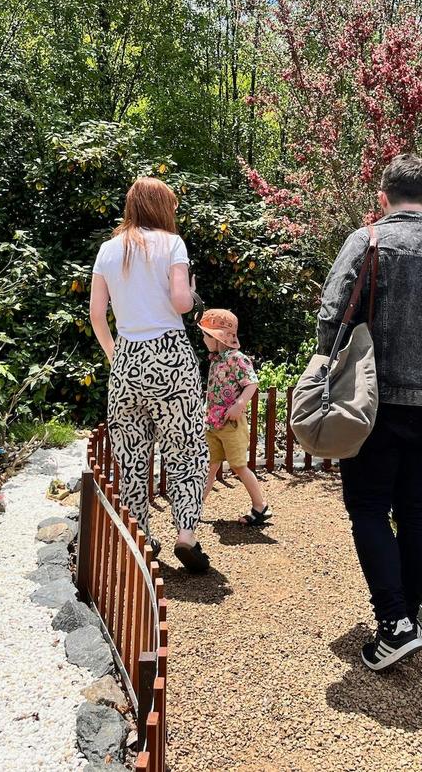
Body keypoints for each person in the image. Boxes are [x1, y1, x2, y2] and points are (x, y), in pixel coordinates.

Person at [318, 153, 422, 672]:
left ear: (382, 196)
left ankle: (394, 622)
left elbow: (330, 316)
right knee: (415, 509)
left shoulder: (366, 241)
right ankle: (406, 618)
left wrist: (333, 367)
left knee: (368, 507)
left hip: (371, 400)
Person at [89, 177, 211, 573]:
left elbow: (96, 315)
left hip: (127, 359)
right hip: (170, 356)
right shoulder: (172, 244)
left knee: (132, 455)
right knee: (187, 448)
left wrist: (116, 357)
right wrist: (191, 294)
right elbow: (179, 302)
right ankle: (186, 534)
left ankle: (140, 535)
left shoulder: (108, 250)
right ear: (161, 208)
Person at [198, 308, 272, 526]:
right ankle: (194, 509)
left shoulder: (236, 359)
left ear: (217, 336)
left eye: (206, 335)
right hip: (213, 423)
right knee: (210, 466)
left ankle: (260, 507)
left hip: (231, 424)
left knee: (239, 466)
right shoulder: (216, 359)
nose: (203, 339)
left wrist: (240, 404)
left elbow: (252, 382)